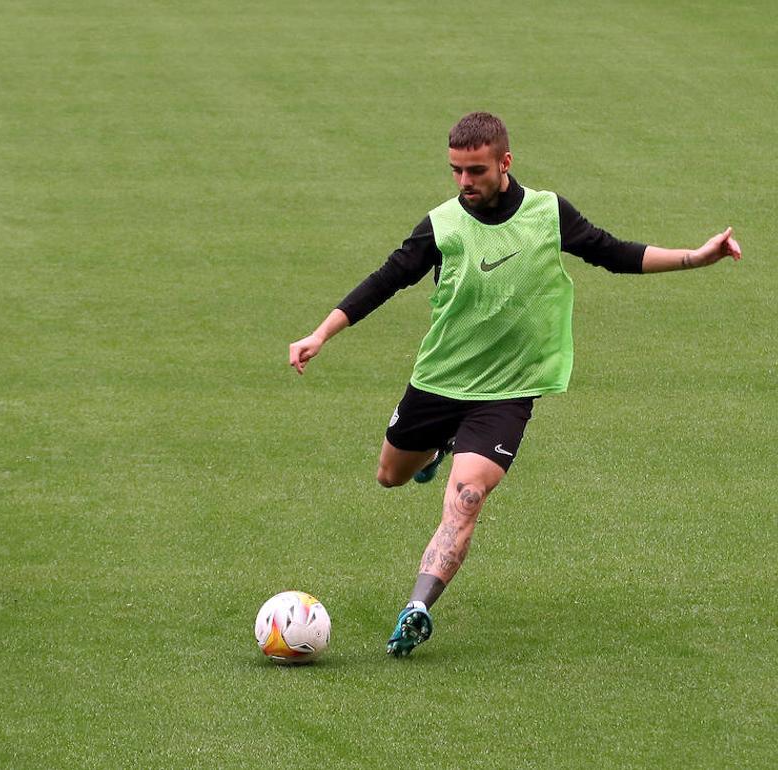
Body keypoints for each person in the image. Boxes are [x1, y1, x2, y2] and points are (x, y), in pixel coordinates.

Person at [288, 112, 740, 656]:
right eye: (455, 171)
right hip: (440, 379)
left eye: (474, 171)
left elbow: (613, 253)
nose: (463, 183)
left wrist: (698, 256)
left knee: (468, 495)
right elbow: (386, 280)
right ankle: (440, 445)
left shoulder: (547, 213)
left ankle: (418, 607)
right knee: (390, 476)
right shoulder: (442, 225)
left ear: (505, 163)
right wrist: (321, 334)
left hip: (506, 389)